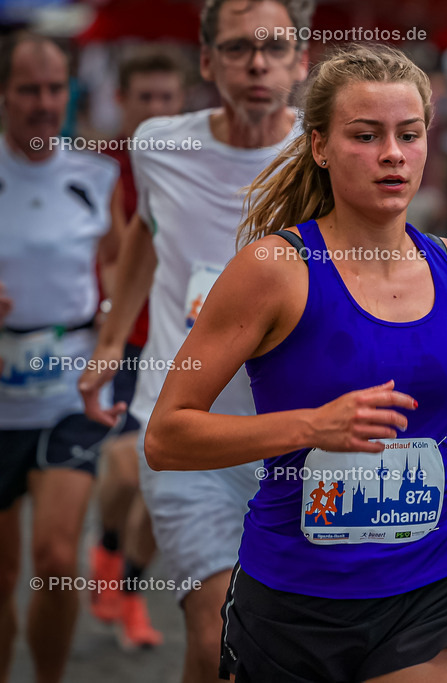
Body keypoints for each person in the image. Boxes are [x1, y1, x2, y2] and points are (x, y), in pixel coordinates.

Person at [139, 42, 447, 683]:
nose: (392, 154)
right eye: (365, 136)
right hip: (294, 599)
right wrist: (311, 428)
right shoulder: (275, 270)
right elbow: (166, 435)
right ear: (319, 145)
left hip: (433, 586)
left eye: (409, 134)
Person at [78, 1, 311, 680]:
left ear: (301, 60)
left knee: (285, 643)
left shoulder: (324, 151)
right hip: (182, 428)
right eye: (238, 49)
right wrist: (111, 340)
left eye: (274, 48)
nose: (258, 64)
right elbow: (147, 235)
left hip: (295, 433)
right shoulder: (159, 145)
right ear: (208, 62)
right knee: (216, 642)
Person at [0, 32, 120, 683]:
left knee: (53, 556)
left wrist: (110, 345)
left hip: (66, 396)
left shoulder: (95, 175)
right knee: (3, 576)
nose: (44, 103)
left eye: (55, 88)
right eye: (28, 90)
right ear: (4, 94)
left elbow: (124, 270)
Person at [89, 46, 187, 649]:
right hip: (124, 343)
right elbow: (100, 260)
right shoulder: (102, 171)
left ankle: (128, 590)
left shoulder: (196, 168)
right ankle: (105, 547)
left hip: (185, 345)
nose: (156, 110)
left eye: (166, 99)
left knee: (159, 472)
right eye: (144, 98)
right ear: (121, 102)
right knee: (128, 468)